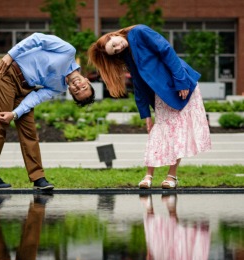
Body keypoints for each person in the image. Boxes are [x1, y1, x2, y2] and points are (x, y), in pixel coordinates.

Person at [88, 24, 211, 189]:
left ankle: (171, 176)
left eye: (114, 45)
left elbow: (167, 51)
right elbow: (138, 84)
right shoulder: (127, 55)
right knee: (158, 132)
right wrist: (145, 114)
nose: (118, 48)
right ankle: (148, 176)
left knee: (178, 132)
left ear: (113, 35)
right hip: (161, 94)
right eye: (115, 51)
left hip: (181, 86)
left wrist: (181, 81)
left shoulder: (139, 32)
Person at [0, 32, 95, 190]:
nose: (77, 86)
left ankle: (38, 178)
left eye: (77, 91)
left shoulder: (58, 87)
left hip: (25, 89)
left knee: (30, 132)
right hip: (6, 73)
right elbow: (37, 38)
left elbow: (35, 98)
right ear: (87, 80)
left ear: (70, 92)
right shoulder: (68, 52)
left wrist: (15, 114)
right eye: (83, 86)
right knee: (0, 123)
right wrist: (9, 55)